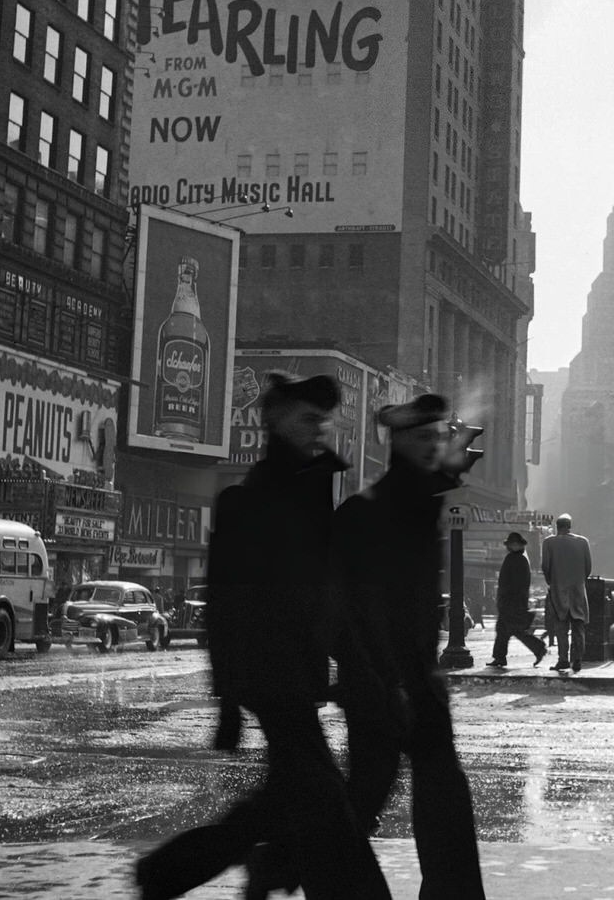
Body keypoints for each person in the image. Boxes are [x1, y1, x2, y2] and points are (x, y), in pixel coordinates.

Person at [135, 374, 389, 900]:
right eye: (305, 419)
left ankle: (178, 873)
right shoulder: (247, 501)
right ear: (274, 421)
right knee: (328, 804)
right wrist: (227, 700)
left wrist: (354, 664)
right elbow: (227, 605)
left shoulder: (314, 489)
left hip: (300, 675)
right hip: (270, 677)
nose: (317, 430)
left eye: (322, 420)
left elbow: (328, 596)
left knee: (286, 800)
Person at [332, 393, 487, 900]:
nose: (432, 447)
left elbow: (442, 476)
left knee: (443, 799)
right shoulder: (367, 513)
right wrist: (390, 682)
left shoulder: (416, 504)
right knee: (364, 798)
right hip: (382, 684)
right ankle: (290, 864)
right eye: (421, 437)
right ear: (397, 443)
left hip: (417, 681)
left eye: (435, 436)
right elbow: (357, 613)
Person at [486, 532, 547, 668]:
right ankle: (536, 648)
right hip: (513, 602)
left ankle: (501, 657)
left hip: (511, 602)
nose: (511, 546)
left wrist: (505, 600)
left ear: (518, 545)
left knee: (507, 630)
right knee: (510, 630)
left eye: (513, 543)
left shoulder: (516, 559)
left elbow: (514, 584)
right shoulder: (518, 558)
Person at [542, 513, 593, 672]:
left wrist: (553, 581)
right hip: (578, 589)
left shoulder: (548, 542)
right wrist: (578, 581)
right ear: (570, 526)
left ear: (557, 527)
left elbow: (546, 566)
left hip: (558, 589)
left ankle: (563, 659)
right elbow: (588, 567)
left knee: (561, 627)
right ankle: (577, 660)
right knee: (578, 627)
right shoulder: (583, 542)